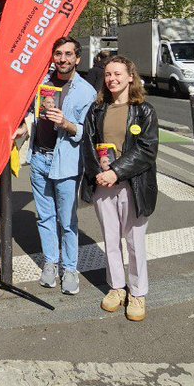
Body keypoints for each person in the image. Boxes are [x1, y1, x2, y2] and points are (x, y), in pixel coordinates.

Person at [14, 36, 96, 296]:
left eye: (68, 54)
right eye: (58, 54)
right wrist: (25, 126)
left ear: (77, 59)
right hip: (39, 158)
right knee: (45, 216)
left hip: (66, 162)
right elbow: (29, 114)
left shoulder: (86, 91)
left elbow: (89, 133)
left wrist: (67, 124)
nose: (62, 59)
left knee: (68, 220)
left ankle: (70, 268)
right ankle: (51, 262)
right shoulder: (42, 84)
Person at [81, 55, 159, 322]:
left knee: (135, 242)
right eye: (108, 75)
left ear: (130, 77)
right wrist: (99, 174)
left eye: (117, 74)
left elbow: (147, 150)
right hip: (104, 184)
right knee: (110, 240)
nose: (112, 79)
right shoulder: (97, 109)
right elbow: (88, 145)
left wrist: (116, 172)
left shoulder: (144, 110)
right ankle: (116, 288)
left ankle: (138, 293)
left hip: (133, 185)